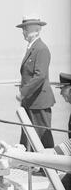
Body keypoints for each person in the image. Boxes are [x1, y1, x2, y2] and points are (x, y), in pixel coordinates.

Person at [16, 15, 55, 155]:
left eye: (26, 29)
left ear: (37, 30)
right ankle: (31, 163)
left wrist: (22, 92)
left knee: (43, 135)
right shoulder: (32, 48)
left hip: (39, 101)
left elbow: (40, 76)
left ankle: (50, 167)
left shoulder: (41, 49)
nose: (24, 32)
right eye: (24, 29)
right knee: (28, 133)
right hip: (31, 100)